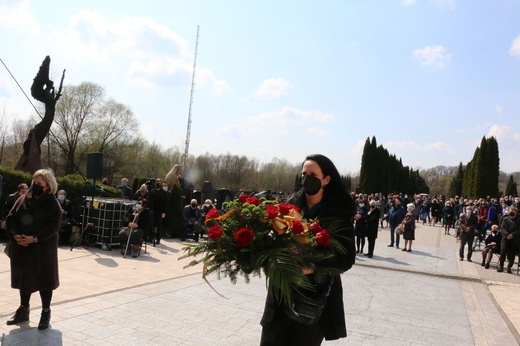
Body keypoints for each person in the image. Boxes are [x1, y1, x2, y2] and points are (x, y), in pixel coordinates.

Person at [260, 154, 356, 345]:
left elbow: (346, 258)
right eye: (304, 173)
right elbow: (270, 244)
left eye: (313, 174)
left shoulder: (338, 215)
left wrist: (313, 266)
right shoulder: (288, 209)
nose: (306, 178)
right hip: (280, 297)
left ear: (326, 179)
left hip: (313, 303)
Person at [5, 168, 62, 330]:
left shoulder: (53, 203)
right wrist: (15, 235)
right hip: (22, 247)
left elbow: (54, 226)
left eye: (39, 183)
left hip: (43, 248)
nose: (35, 185)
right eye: (33, 182)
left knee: (45, 280)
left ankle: (45, 311)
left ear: (48, 186)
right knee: (24, 279)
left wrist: (35, 238)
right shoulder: (22, 199)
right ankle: (23, 309)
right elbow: (11, 218)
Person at [497, 206, 520, 273]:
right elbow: (502, 228)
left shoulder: (518, 220)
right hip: (505, 238)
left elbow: (519, 230)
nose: (512, 212)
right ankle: (501, 266)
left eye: (513, 211)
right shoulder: (505, 219)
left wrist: (512, 235)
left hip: (514, 239)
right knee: (503, 251)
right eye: (511, 210)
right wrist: (507, 234)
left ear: (516, 212)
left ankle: (509, 266)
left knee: (512, 253)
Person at [148, 178, 168, 244]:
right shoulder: (152, 191)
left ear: (161, 183)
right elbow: (149, 201)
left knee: (159, 226)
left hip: (160, 212)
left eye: (159, 182)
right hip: (152, 210)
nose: (158, 183)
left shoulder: (164, 193)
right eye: (156, 181)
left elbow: (165, 203)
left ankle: (158, 239)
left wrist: (164, 212)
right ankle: (151, 238)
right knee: (151, 225)